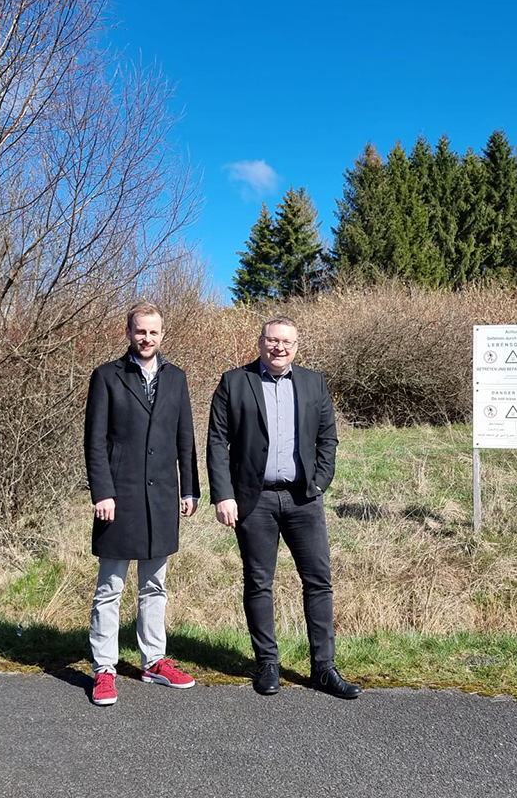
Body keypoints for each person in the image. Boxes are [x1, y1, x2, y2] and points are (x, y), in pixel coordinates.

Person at [206, 316, 361, 699]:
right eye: (272, 340)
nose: (279, 348)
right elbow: (216, 442)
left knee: (319, 582)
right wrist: (223, 495)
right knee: (259, 583)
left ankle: (323, 668)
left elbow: (328, 439)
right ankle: (267, 664)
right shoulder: (234, 382)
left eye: (286, 342)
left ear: (297, 345)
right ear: (260, 342)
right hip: (253, 500)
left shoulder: (313, 383)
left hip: (303, 498)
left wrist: (320, 482)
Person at [83, 302, 199, 706]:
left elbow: (185, 437)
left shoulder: (177, 378)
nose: (146, 338)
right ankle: (104, 669)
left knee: (155, 585)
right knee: (110, 588)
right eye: (139, 331)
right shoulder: (107, 377)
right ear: (128, 333)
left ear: (162, 334)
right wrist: (103, 491)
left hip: (163, 496)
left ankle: (153, 662)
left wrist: (190, 489)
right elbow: (95, 441)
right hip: (119, 497)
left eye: (153, 332)